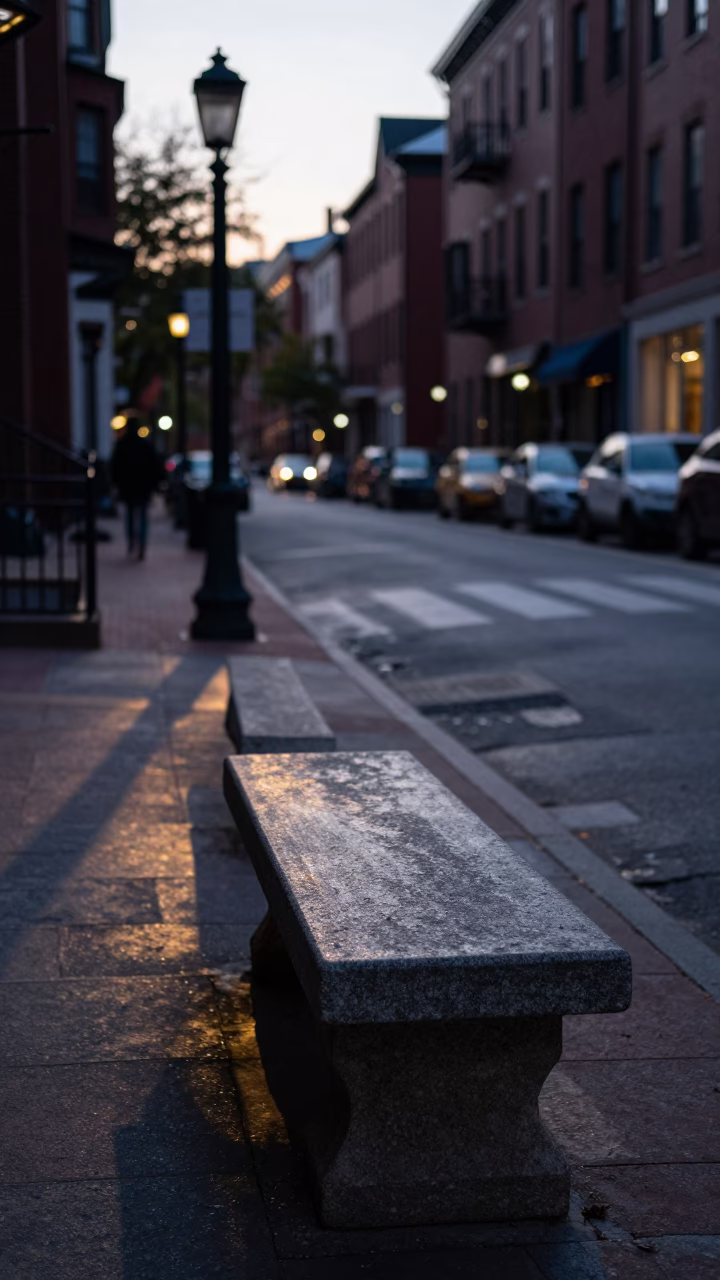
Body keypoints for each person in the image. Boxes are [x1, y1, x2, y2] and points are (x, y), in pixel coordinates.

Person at [111, 426, 163, 560]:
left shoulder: (122, 445)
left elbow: (115, 467)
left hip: (128, 486)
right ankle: (141, 544)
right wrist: (155, 484)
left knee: (130, 514)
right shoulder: (145, 445)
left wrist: (116, 484)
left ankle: (132, 543)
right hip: (143, 487)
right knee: (142, 515)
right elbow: (155, 465)